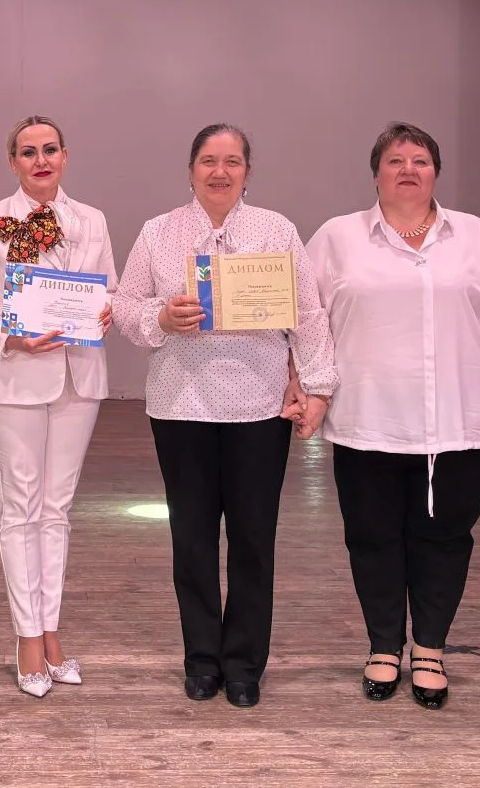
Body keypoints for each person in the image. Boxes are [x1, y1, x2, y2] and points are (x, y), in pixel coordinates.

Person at [305, 122, 480, 709]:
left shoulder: (476, 237)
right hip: (367, 418)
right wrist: (308, 387)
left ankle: (430, 647)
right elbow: (307, 321)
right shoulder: (337, 238)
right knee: (372, 538)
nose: (408, 169)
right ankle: (384, 645)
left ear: (436, 172)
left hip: (458, 420)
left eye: (420, 161)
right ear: (376, 174)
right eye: (395, 160)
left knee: (445, 538)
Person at [112, 123, 337, 708]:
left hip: (259, 408)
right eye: (209, 161)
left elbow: (308, 313)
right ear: (191, 170)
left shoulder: (276, 230)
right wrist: (161, 318)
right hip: (179, 407)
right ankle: (202, 660)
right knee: (191, 540)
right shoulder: (158, 232)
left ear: (247, 172)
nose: (220, 171)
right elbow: (126, 305)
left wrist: (317, 387)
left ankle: (244, 664)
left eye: (232, 161)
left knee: (253, 539)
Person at [0, 117, 117, 698]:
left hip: (79, 378)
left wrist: (105, 309)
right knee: (21, 506)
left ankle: (51, 632)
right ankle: (26, 637)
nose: (40, 160)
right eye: (27, 152)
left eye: (49, 150)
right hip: (15, 380)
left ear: (65, 156)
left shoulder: (92, 219)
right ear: (13, 162)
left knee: (57, 509)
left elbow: (109, 289)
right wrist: (8, 336)